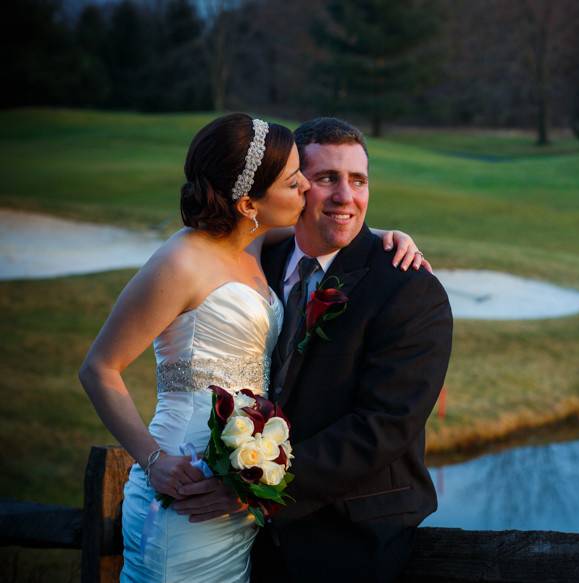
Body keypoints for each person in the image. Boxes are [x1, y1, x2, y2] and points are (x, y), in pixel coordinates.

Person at [78, 113, 428, 582]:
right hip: (183, 481)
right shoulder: (181, 262)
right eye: (294, 181)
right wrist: (154, 461)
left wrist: (387, 237)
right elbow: (99, 368)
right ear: (249, 204)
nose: (306, 188)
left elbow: (338, 229)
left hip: (241, 487)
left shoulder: (256, 244)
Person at [245, 117, 453, 582]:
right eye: (327, 179)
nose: (346, 196)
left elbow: (382, 427)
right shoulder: (261, 261)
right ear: (296, 187)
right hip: (247, 542)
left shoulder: (408, 288)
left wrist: (256, 486)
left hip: (352, 541)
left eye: (358, 180)